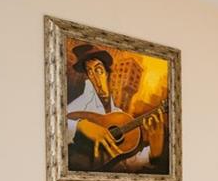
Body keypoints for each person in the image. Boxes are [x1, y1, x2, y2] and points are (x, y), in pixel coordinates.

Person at [66, 44, 165, 172]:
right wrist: (81, 126)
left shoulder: (119, 116)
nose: (95, 78)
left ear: (107, 73)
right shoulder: (80, 105)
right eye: (90, 72)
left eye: (99, 70)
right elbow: (54, 126)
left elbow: (127, 163)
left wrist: (154, 152)